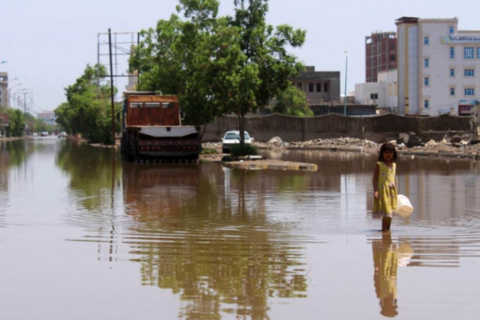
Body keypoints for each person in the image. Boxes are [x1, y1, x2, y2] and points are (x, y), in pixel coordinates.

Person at [373, 143, 398, 231]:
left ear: (393, 154)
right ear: (382, 154)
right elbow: (375, 179)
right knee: (386, 212)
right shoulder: (379, 165)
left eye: (391, 152)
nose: (389, 155)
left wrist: (396, 193)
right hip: (383, 192)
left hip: (391, 192)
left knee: (390, 213)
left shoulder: (394, 165)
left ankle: (387, 231)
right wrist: (376, 191)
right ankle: (384, 231)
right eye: (386, 152)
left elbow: (394, 179)